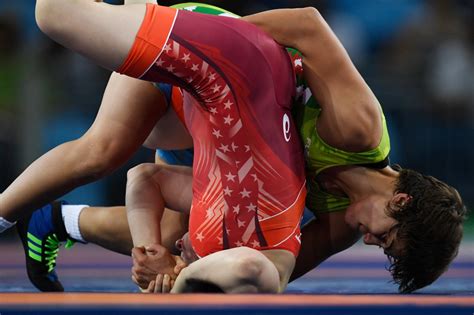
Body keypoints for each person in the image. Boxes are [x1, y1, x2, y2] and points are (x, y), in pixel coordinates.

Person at [2, 1, 466, 294]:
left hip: (209, 134)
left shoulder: (342, 222)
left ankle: (54, 221)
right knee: (102, 151)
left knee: (167, 237)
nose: (369, 241)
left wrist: (185, 268)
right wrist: (212, 44)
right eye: (386, 237)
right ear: (400, 199)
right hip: (218, 68)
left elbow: (271, 269)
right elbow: (307, 25)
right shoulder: (358, 131)